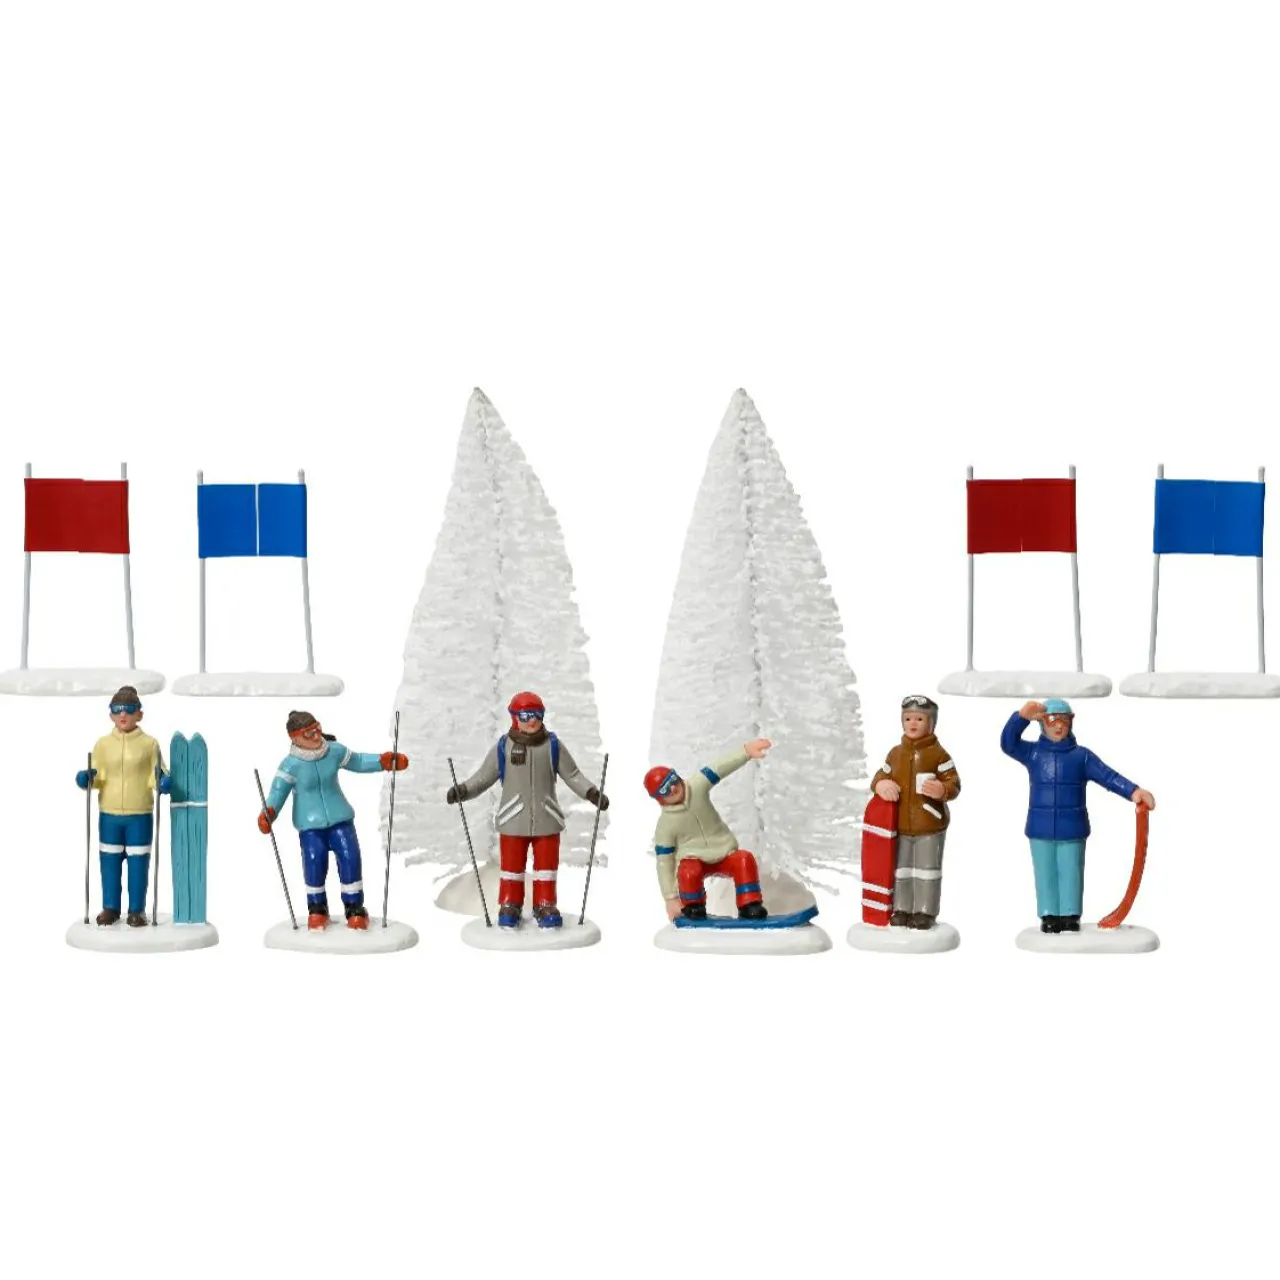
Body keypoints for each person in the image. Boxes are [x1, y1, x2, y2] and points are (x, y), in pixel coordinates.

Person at [447, 691, 608, 929]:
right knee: (511, 868)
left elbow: (572, 774)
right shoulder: (504, 746)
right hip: (513, 818)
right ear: (514, 717)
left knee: (546, 868)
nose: (531, 720)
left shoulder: (552, 745)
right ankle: (510, 904)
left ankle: (545, 904)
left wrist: (591, 792)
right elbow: (484, 776)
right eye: (525, 715)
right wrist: (463, 790)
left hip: (547, 817)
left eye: (537, 715)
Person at [1001, 699, 1156, 933]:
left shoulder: (1081, 756)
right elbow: (1008, 744)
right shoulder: (1033, 753)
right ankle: (1049, 914)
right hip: (1040, 827)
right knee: (1045, 872)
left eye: (1065, 720)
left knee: (1071, 871)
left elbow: (1108, 776)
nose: (1059, 725)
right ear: (1042, 722)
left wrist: (1133, 791)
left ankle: (1070, 915)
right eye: (1053, 720)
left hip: (1072, 827)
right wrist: (1021, 718)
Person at [258, 710, 409, 930]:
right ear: (295, 738)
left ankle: (354, 908)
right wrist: (269, 811)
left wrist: (382, 761)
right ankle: (317, 909)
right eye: (308, 733)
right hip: (310, 825)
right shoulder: (290, 765)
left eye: (317, 729)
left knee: (350, 857)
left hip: (340, 819)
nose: (316, 736)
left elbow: (358, 761)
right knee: (314, 861)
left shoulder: (333, 751)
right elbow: (278, 791)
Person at [644, 739, 772, 921]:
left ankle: (750, 904)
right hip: (694, 859)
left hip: (724, 852)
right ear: (658, 798)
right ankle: (693, 906)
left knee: (744, 860)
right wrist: (670, 899)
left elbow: (718, 767)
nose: (672, 788)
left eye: (672, 780)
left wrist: (745, 752)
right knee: (688, 871)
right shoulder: (665, 825)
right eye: (665, 789)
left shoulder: (696, 786)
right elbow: (664, 862)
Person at [76, 685, 170, 927]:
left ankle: (137, 910)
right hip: (109, 815)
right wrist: (87, 778)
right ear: (111, 714)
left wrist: (162, 781)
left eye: (128, 709)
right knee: (109, 863)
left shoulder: (150, 744)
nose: (123, 714)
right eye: (117, 709)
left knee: (138, 864)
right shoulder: (103, 744)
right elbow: (98, 775)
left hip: (139, 815)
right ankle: (110, 907)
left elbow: (157, 773)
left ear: (140, 713)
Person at [869, 695, 960, 929]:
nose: (913, 723)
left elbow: (954, 783)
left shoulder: (939, 755)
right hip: (899, 824)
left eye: (919, 719)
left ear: (931, 723)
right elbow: (881, 774)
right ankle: (902, 907)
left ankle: (925, 910)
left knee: (927, 871)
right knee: (901, 870)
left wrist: (942, 789)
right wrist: (880, 784)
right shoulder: (895, 754)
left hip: (929, 825)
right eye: (908, 718)